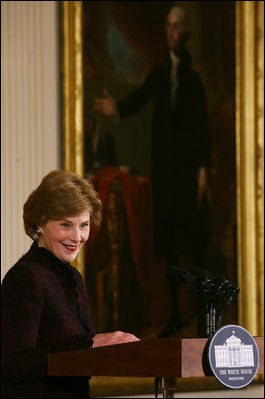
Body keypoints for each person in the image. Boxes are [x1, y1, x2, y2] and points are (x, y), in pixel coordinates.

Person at [94, 6, 211, 337]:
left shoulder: (193, 80)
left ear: (185, 34)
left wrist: (203, 169)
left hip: (189, 175)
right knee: (169, 243)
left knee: (194, 242)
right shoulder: (159, 74)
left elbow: (202, 128)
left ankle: (203, 317)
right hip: (165, 175)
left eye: (178, 28)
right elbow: (140, 98)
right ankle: (175, 313)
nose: (173, 33)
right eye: (169, 27)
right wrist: (116, 108)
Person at [1, 170, 139, 398]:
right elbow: (13, 363)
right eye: (65, 225)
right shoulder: (26, 276)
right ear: (39, 224)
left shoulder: (74, 278)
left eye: (84, 225)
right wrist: (90, 343)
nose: (77, 236)